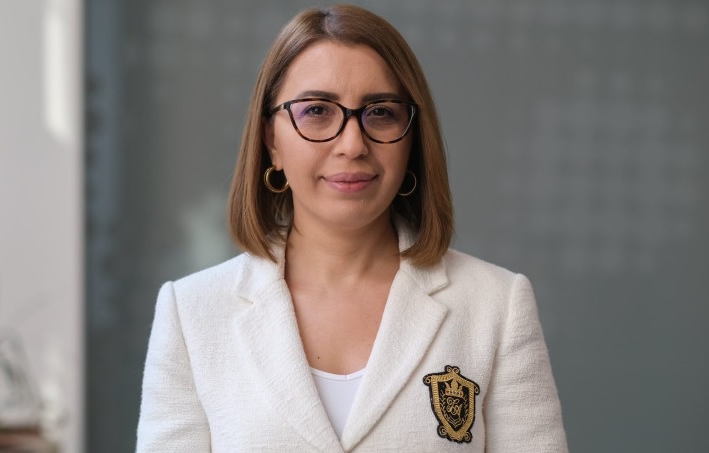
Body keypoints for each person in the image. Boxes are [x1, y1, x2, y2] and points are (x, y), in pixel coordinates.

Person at [136, 4, 567, 452]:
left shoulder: (496, 306)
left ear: (412, 137)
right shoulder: (193, 313)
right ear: (271, 141)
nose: (352, 144)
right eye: (316, 110)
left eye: (380, 112)